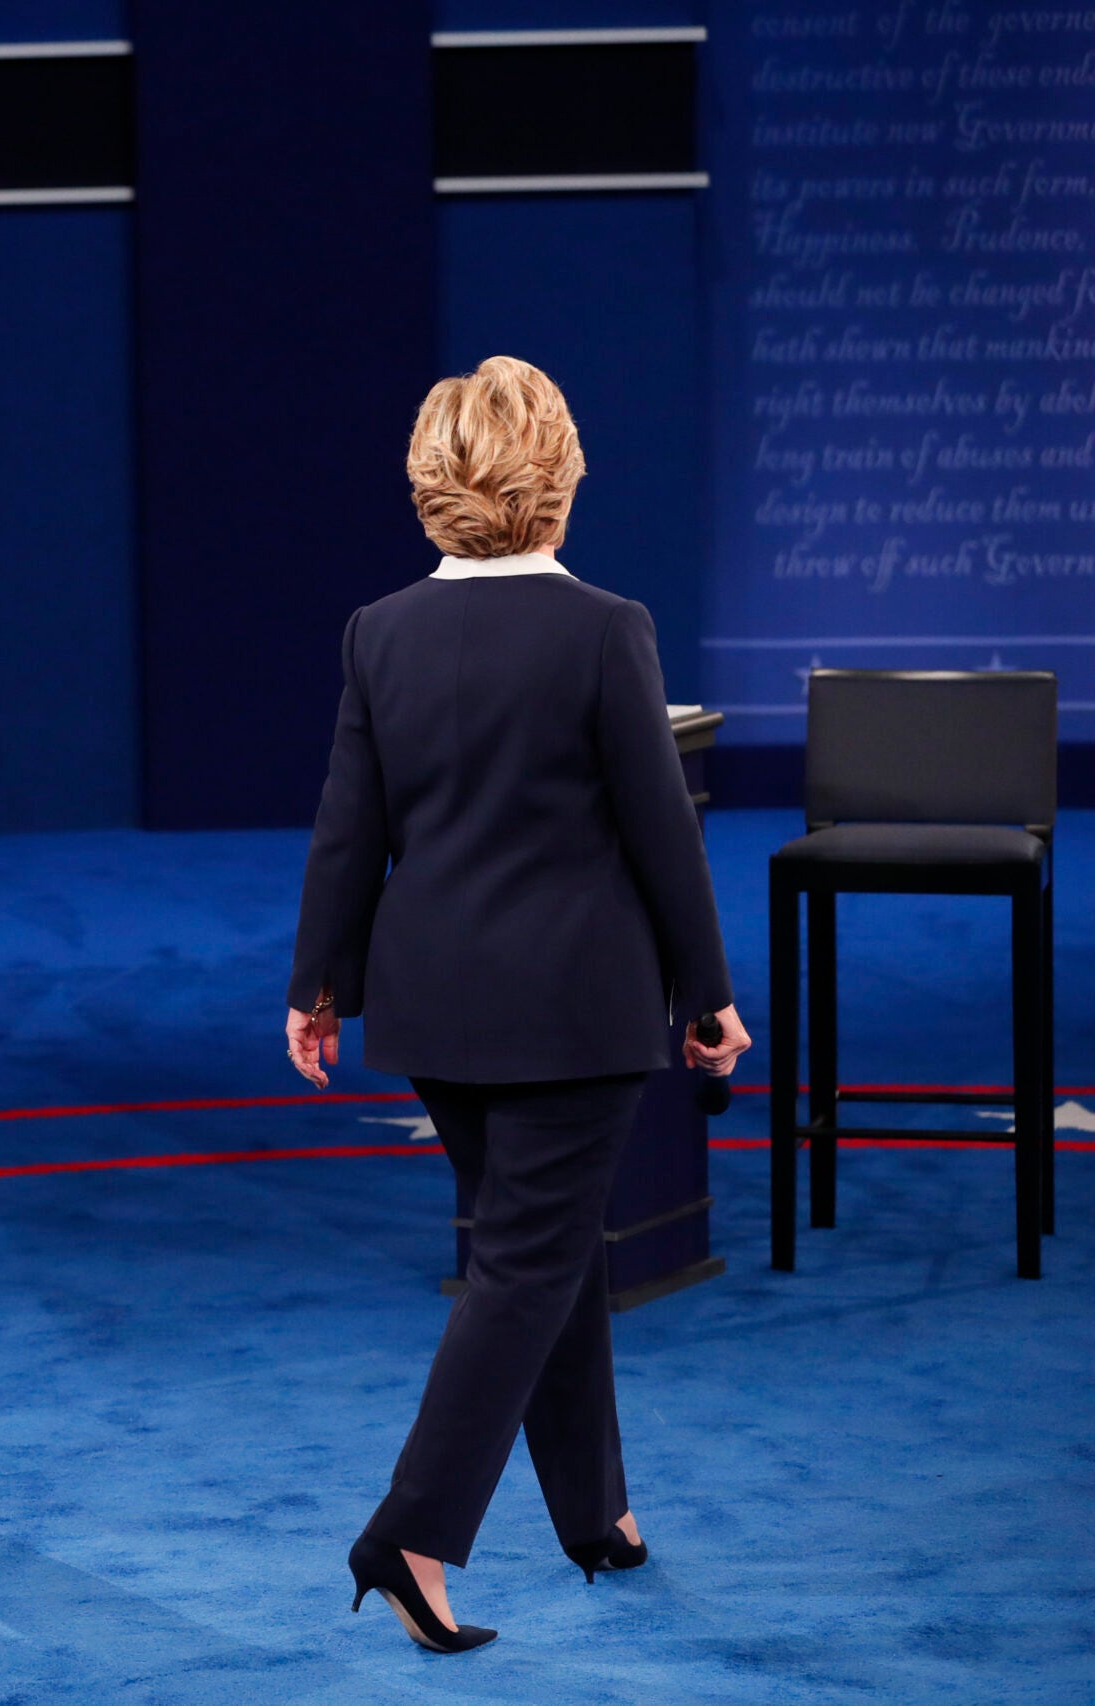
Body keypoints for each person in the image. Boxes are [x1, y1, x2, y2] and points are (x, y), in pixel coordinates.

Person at [284, 356, 750, 1651]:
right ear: (560, 473)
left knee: (533, 1243)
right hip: (575, 1012)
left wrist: (320, 986)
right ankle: (414, 1532)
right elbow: (666, 838)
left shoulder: (380, 628)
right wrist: (708, 995)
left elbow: (348, 829)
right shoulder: (606, 628)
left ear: (434, 481)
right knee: (533, 1257)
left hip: (435, 1006)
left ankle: (599, 1510)